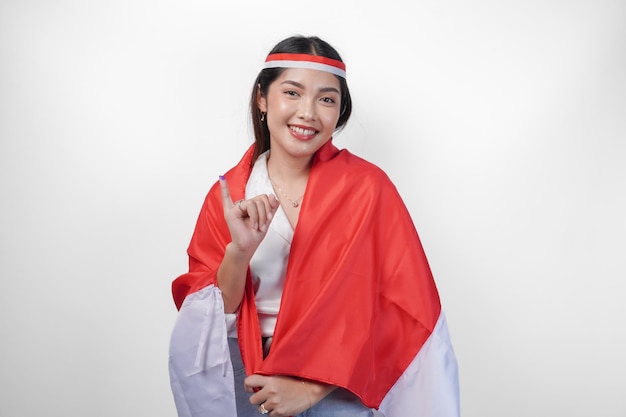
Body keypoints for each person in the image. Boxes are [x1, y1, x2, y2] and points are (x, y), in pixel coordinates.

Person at [168, 35, 460, 417]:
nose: (308, 112)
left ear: (339, 112)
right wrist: (238, 252)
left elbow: (399, 307)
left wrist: (311, 387)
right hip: (251, 382)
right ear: (262, 98)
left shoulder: (368, 189)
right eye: (292, 92)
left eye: (326, 99)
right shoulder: (230, 195)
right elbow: (212, 314)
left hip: (339, 387)